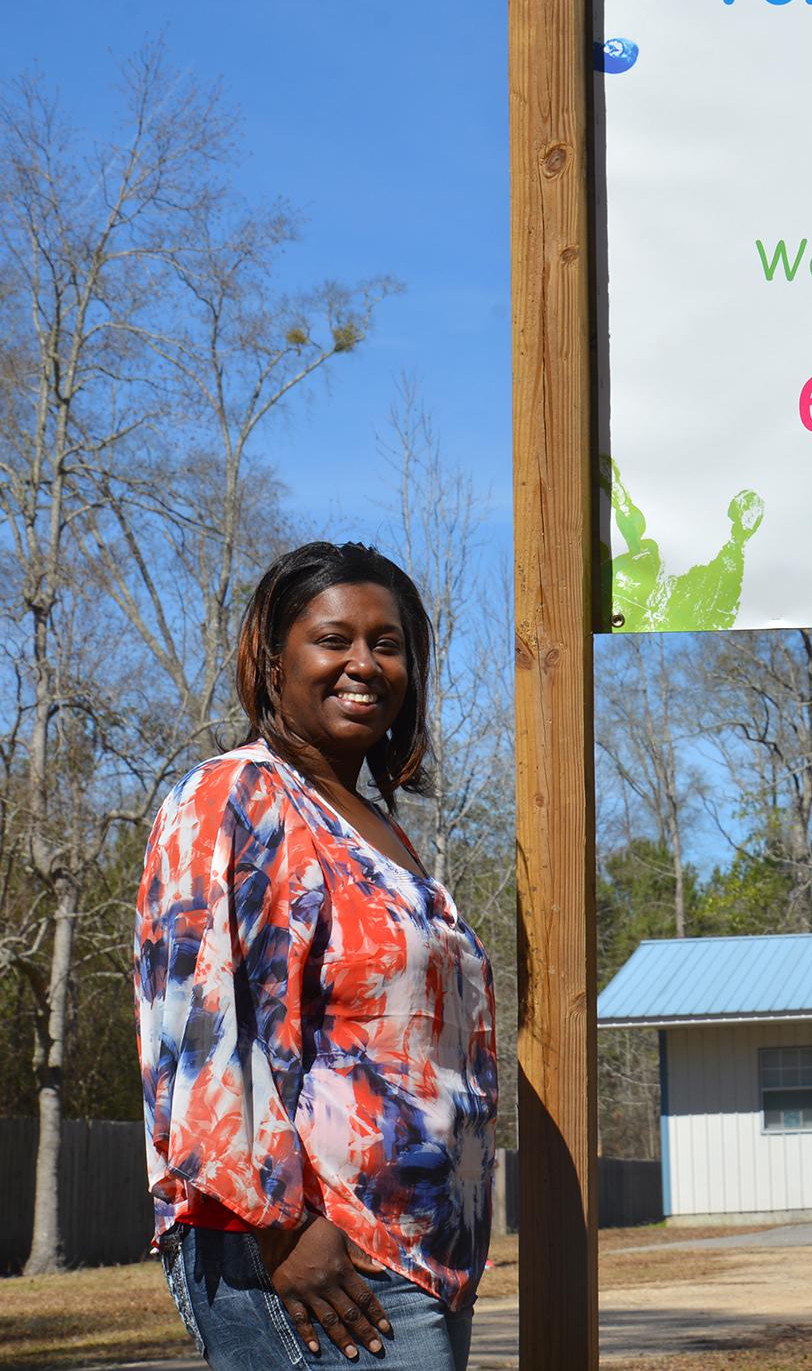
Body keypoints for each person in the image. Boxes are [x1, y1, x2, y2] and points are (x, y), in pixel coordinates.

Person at [134, 543, 497, 1369]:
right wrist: (285, 1228)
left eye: (388, 643)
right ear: (273, 660)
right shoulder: (236, 795)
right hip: (311, 1257)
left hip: (417, 1255)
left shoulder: (380, 828)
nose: (363, 663)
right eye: (334, 639)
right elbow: (193, 1029)